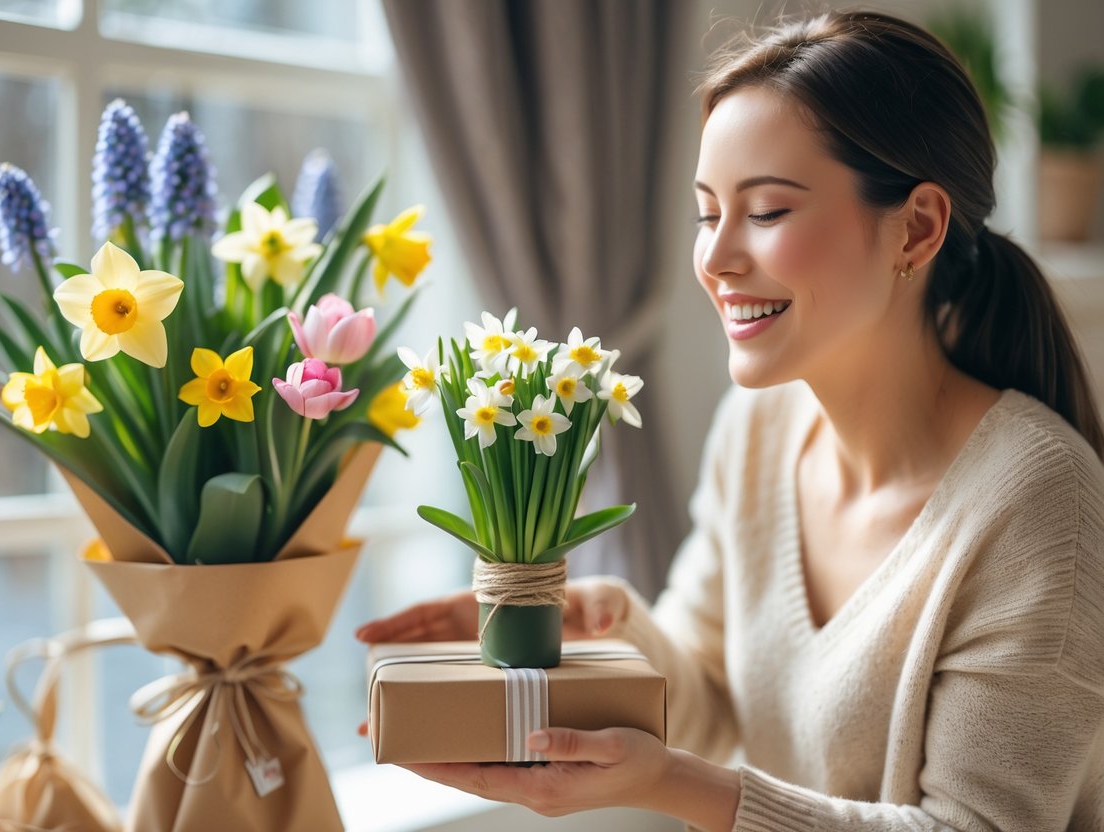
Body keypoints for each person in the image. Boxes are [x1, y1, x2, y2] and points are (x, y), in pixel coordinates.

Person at [355, 9, 1104, 830]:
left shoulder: (1040, 502)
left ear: (917, 228)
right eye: (706, 212)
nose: (713, 260)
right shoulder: (758, 431)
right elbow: (711, 697)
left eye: (768, 211)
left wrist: (669, 783)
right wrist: (593, 624)